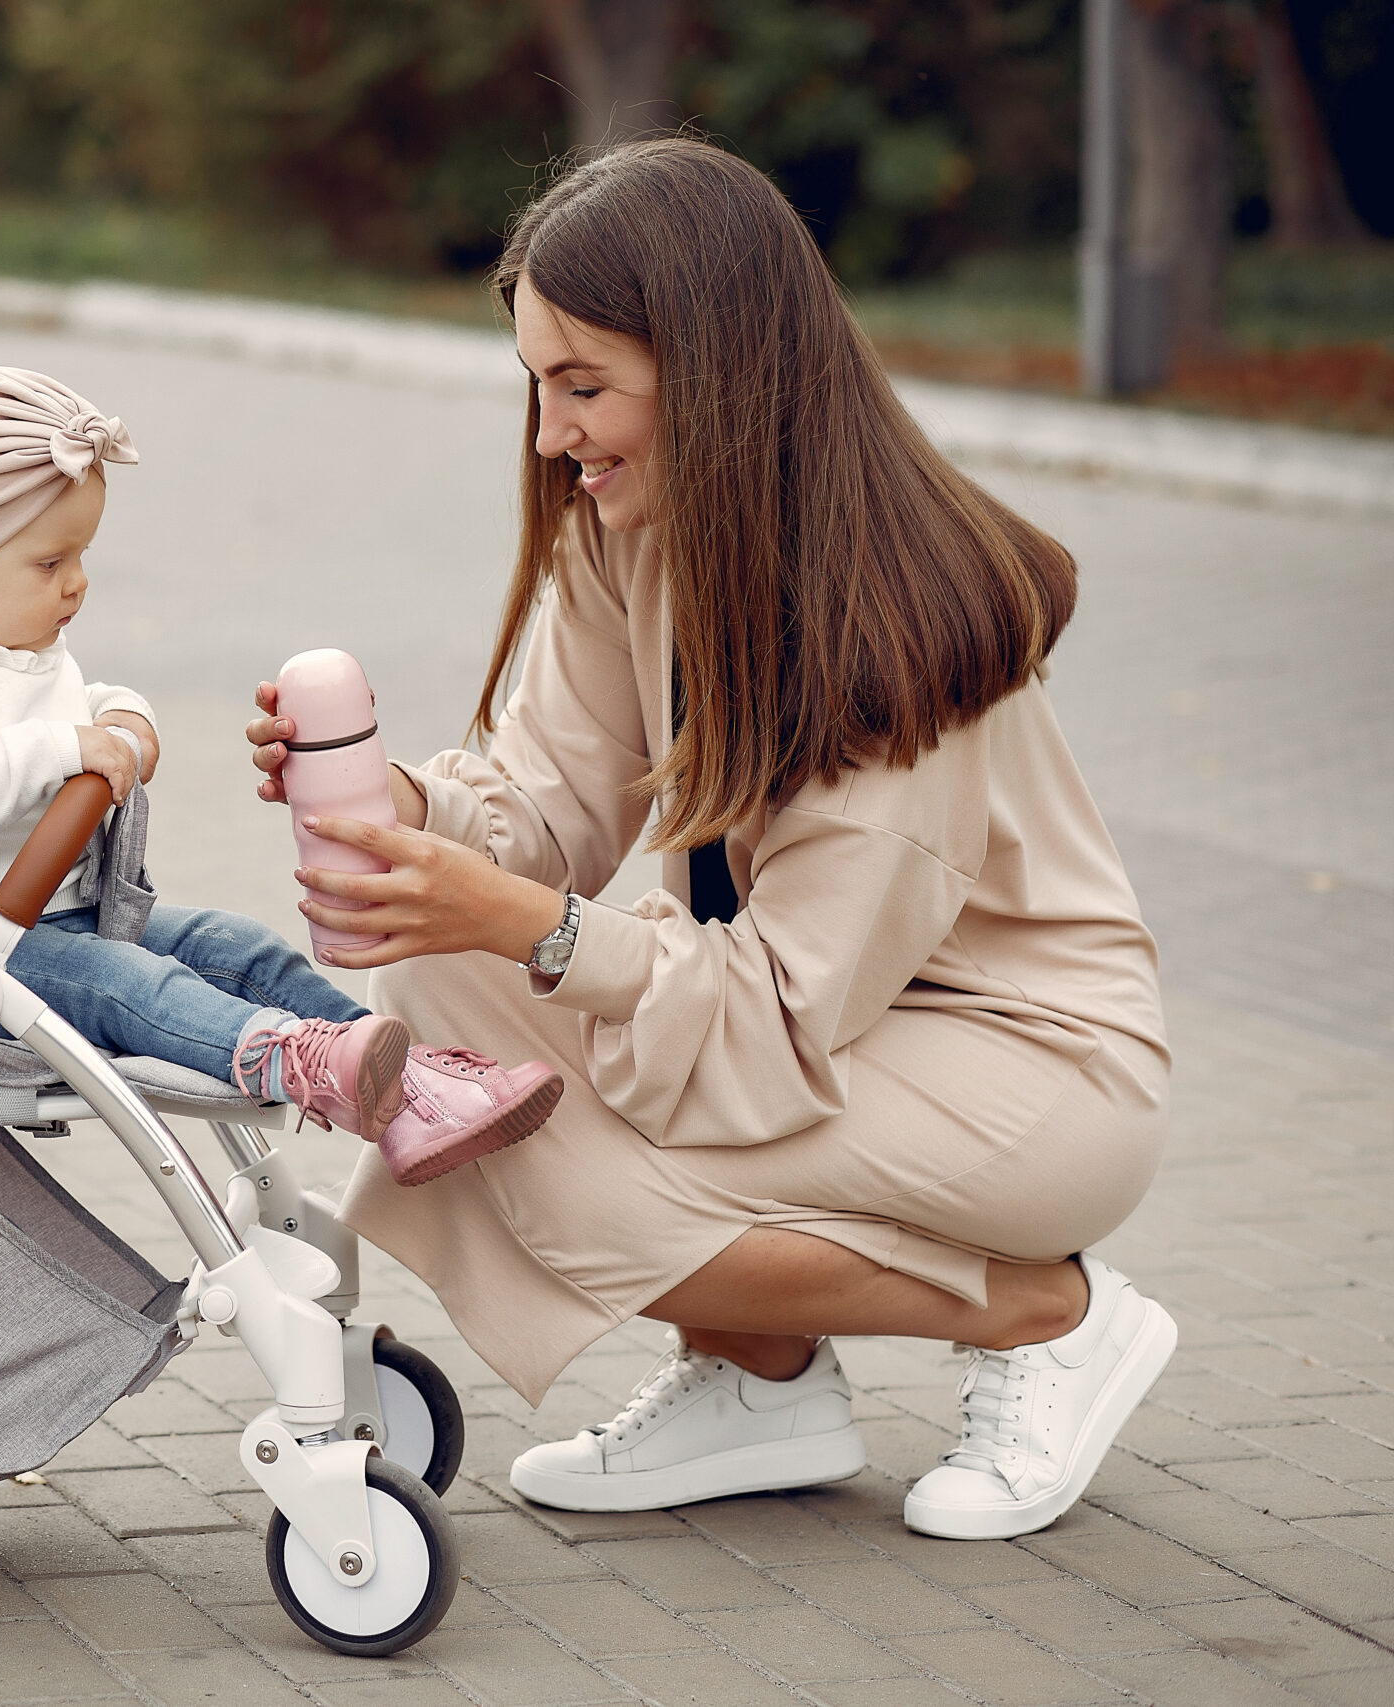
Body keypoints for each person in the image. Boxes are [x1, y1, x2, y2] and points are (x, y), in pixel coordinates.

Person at [244, 140, 1175, 1542]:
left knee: (562, 1166)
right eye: (539, 384)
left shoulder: (895, 629)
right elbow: (551, 808)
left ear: (718, 369)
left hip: (1026, 1068)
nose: (554, 433)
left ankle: (1052, 1312)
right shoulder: (634, 532)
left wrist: (524, 924)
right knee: (441, 1007)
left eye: (585, 384)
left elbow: (777, 1013)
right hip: (823, 1023)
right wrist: (407, 815)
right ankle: (765, 1380)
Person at [0, 363, 562, 1179]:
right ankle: (291, 1059)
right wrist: (66, 751)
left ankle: (415, 1090)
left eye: (82, 555)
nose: (77, 582)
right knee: (130, 985)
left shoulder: (9, 638)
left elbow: (79, 701)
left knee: (236, 945)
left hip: (58, 920)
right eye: (50, 563)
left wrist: (123, 716)